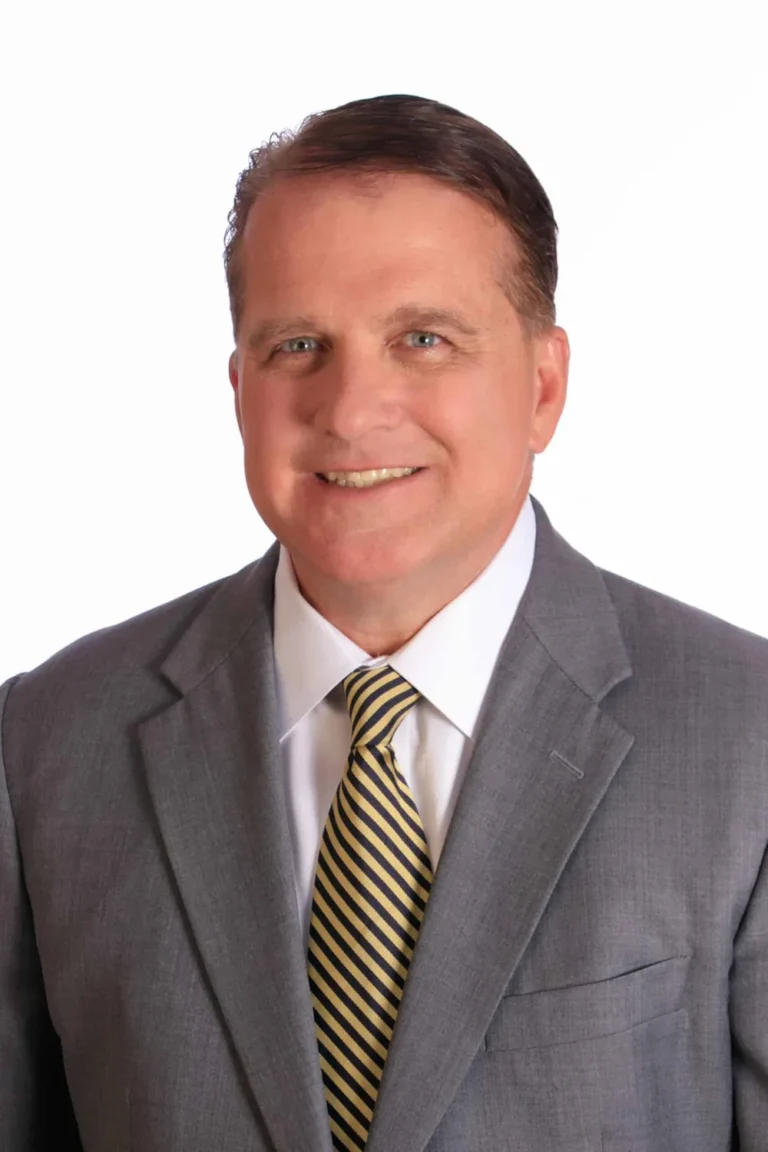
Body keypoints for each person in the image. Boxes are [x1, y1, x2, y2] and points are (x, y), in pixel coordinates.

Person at [1, 92, 766, 1152]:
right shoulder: (43, 744)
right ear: (239, 388)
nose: (352, 408)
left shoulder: (746, 742)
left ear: (544, 386)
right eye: (298, 344)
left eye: (424, 338)